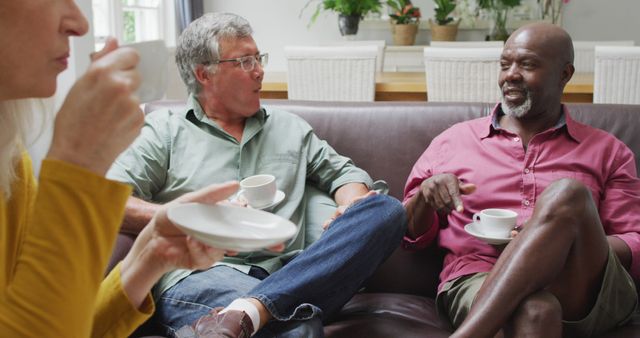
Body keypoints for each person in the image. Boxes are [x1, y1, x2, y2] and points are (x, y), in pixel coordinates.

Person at [107, 12, 407, 337]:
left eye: (258, 58)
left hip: (293, 273)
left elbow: (344, 174)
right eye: (245, 61)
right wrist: (195, 218)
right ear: (204, 74)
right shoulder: (165, 130)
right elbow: (109, 201)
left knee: (387, 210)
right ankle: (256, 312)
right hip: (202, 273)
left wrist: (350, 204)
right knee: (298, 328)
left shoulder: (289, 127)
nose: (260, 71)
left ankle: (248, 312)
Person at [0, 1, 238, 337]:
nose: (79, 23)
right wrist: (79, 167)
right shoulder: (167, 129)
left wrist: (151, 255)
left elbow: (61, 322)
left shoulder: (11, 161)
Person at [403, 22, 639, 338]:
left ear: (565, 74)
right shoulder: (453, 142)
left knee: (568, 195)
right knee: (536, 311)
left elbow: (633, 239)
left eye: (527, 64)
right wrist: (424, 196)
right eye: (505, 65)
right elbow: (408, 234)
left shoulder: (609, 151)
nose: (511, 74)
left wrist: (556, 238)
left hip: (583, 286)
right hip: (477, 276)